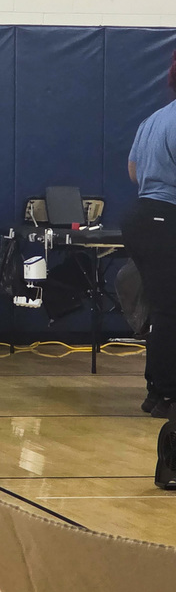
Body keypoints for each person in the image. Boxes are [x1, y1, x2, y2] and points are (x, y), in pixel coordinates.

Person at [122, 50, 176, 420]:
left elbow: (132, 172)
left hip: (143, 217)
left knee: (163, 310)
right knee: (171, 311)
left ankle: (157, 392)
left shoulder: (157, 118)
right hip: (166, 217)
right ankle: (169, 394)